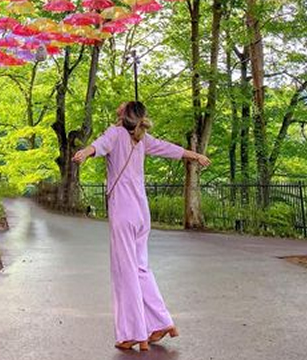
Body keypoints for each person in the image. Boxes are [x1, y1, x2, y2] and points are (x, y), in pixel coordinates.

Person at [72, 101, 211, 352]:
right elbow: (171, 149)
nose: (119, 105)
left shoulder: (115, 134)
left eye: (122, 106)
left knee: (124, 272)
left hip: (124, 211)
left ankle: (134, 334)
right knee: (140, 269)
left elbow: (99, 146)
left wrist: (85, 152)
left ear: (125, 114)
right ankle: (162, 323)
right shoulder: (143, 139)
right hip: (141, 213)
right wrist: (196, 155)